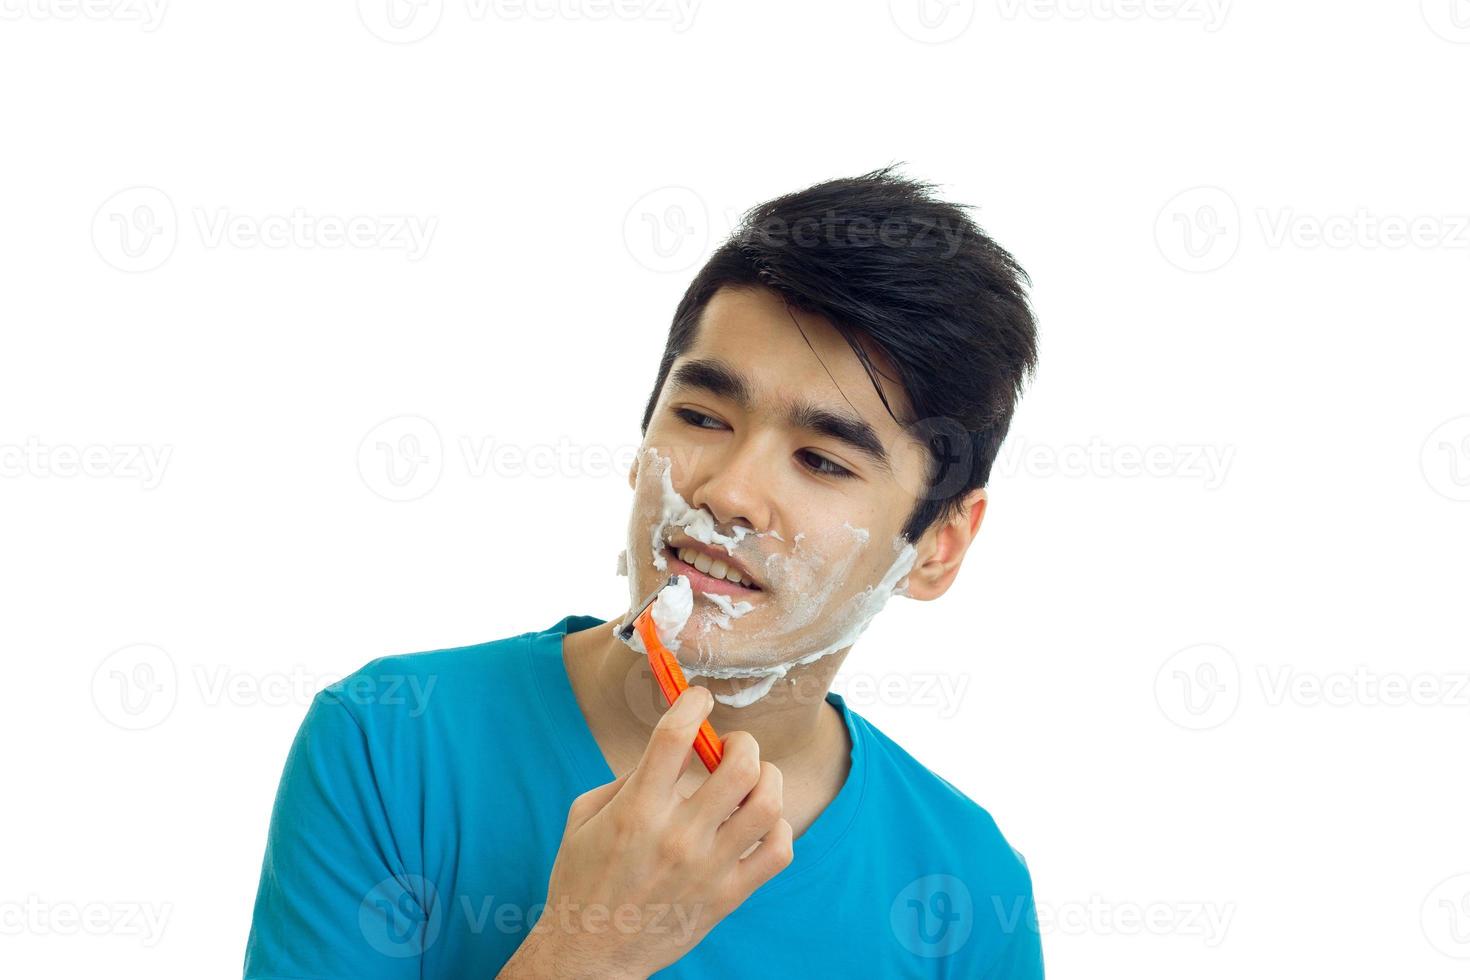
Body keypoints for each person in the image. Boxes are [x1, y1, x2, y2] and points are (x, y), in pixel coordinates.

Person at [243, 165, 1045, 978]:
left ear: (939, 545)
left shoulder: (968, 890)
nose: (727, 490)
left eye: (821, 461)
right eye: (701, 417)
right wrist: (584, 953)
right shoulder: (390, 742)